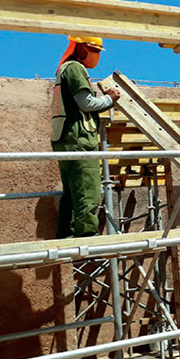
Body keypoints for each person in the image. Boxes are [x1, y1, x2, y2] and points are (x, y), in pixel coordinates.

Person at [51, 35, 120, 238]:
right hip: (77, 139)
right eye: (94, 50)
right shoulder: (75, 68)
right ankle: (87, 236)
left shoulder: (65, 68)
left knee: (72, 192)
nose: (96, 55)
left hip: (65, 137)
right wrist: (110, 98)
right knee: (88, 190)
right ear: (80, 48)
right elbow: (86, 104)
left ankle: (66, 233)